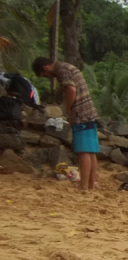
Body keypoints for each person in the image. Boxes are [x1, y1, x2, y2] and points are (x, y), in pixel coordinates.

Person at [32, 57, 99, 192]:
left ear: (45, 68)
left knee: (83, 151)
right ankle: (91, 183)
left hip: (80, 113)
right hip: (89, 111)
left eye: (45, 75)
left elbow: (71, 89)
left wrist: (69, 109)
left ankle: (84, 186)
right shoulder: (67, 66)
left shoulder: (61, 70)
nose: (48, 78)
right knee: (91, 150)